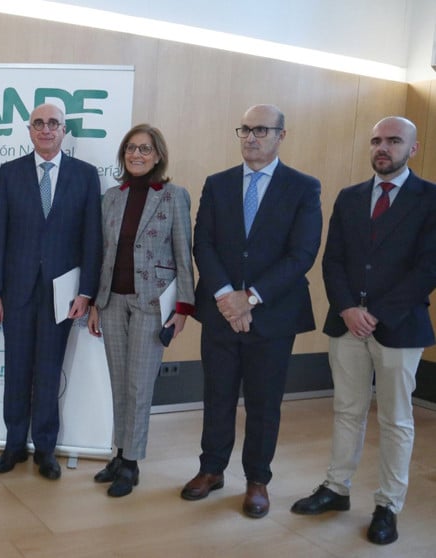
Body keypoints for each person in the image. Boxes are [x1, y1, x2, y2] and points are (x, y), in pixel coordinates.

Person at [290, 117, 436, 545]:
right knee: (347, 410)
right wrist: (349, 309)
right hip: (346, 323)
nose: (382, 147)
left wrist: (376, 313)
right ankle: (336, 488)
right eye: (376, 140)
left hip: (399, 326)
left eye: (393, 141)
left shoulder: (430, 199)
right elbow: (332, 260)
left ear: (412, 148)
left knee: (396, 420)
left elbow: (428, 267)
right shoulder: (350, 197)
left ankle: (388, 504)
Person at [181, 104, 322, 518]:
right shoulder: (218, 183)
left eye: (261, 130)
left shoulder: (303, 187)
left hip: (273, 313)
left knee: (264, 401)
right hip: (221, 311)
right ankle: (211, 470)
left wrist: (251, 297)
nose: (251, 137)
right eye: (244, 129)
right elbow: (202, 243)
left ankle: (257, 479)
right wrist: (227, 296)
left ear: (281, 135)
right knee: (217, 394)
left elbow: (303, 253)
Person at [0, 103, 102, 480]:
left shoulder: (85, 175)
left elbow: (91, 238)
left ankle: (45, 449)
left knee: (49, 372)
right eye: (39, 123)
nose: (46, 129)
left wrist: (87, 291)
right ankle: (14, 444)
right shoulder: (9, 173)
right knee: (16, 369)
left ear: (64, 131)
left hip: (63, 295)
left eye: (54, 123)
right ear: (29, 130)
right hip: (15, 291)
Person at [87, 124, 194, 497]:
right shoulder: (111, 198)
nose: (136, 155)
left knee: (139, 385)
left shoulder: (173, 196)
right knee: (119, 383)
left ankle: (131, 463)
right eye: (131, 148)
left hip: (152, 304)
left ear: (158, 155)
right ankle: (118, 454)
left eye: (145, 149)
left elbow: (184, 253)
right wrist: (97, 303)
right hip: (113, 301)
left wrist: (182, 308)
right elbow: (102, 253)